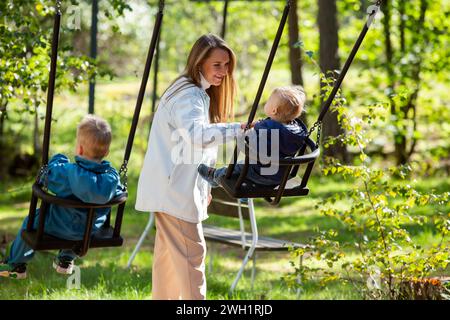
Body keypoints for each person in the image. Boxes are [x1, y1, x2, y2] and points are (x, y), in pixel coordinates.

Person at [135, 34, 247, 300]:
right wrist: (237, 128)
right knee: (191, 258)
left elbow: (194, 148)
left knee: (169, 264)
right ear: (199, 63)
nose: (224, 71)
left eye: (227, 64)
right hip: (174, 191)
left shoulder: (193, 91)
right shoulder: (189, 95)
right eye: (217, 65)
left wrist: (204, 184)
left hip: (174, 188)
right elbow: (197, 136)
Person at [0, 115, 125, 279]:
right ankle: (65, 260)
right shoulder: (111, 179)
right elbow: (119, 191)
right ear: (106, 152)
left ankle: (16, 265)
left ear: (79, 149)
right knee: (81, 222)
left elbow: (48, 177)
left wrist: (58, 159)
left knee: (30, 224)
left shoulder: (66, 173)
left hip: (56, 225)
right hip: (88, 232)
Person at [198, 86, 308, 187]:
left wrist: (246, 135)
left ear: (274, 110)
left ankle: (214, 176)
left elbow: (254, 147)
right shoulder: (297, 131)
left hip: (260, 174)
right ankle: (245, 192)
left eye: (269, 100)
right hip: (280, 177)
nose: (267, 101)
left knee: (238, 167)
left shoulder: (267, 129)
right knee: (247, 166)